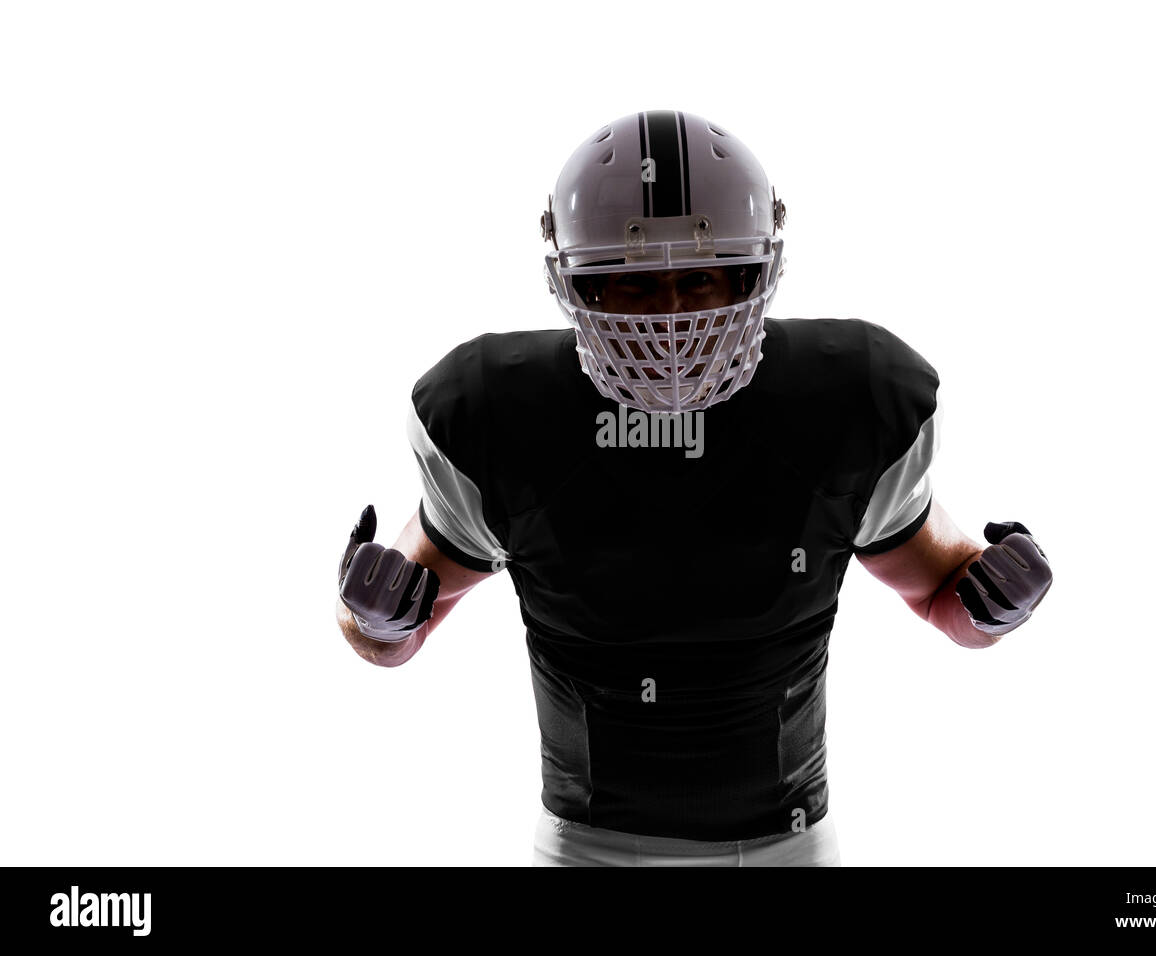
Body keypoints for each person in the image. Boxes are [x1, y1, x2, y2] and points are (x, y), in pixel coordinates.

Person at [335, 110, 1054, 867]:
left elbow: (944, 596)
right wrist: (376, 624)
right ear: (575, 285)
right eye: (634, 283)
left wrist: (992, 605)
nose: (671, 319)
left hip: (785, 840)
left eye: (700, 278)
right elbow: (395, 638)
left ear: (755, 273)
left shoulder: (846, 400)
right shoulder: (499, 416)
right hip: (587, 846)